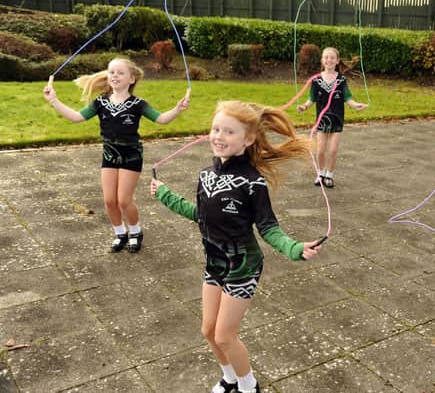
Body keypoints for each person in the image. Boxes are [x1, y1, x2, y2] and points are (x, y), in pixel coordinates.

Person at [150, 100, 323, 393]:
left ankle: (248, 386)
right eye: (216, 129)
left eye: (229, 132)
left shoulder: (253, 183)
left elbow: (268, 227)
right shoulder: (206, 175)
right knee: (208, 331)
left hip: (243, 266)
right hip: (215, 262)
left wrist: (294, 248)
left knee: (225, 336)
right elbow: (201, 215)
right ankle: (229, 378)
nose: (219, 136)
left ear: (249, 139)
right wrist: (166, 195)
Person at [43, 57, 189, 253]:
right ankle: (120, 233)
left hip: (131, 156)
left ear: (131, 78)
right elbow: (76, 117)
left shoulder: (138, 104)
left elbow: (161, 119)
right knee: (109, 201)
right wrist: (53, 100)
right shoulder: (101, 102)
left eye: (120, 72)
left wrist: (177, 109)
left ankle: (136, 232)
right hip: (110, 155)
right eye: (112, 72)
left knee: (123, 200)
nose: (115, 76)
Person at [297, 46, 367, 188]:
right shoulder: (316, 80)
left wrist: (355, 105)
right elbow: (311, 98)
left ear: (337, 61)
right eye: (326, 57)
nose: (329, 60)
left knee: (333, 150)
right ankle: (321, 173)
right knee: (321, 150)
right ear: (322, 60)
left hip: (337, 119)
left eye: (332, 57)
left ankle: (329, 174)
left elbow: (347, 97)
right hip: (322, 119)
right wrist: (304, 106)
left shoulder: (341, 80)